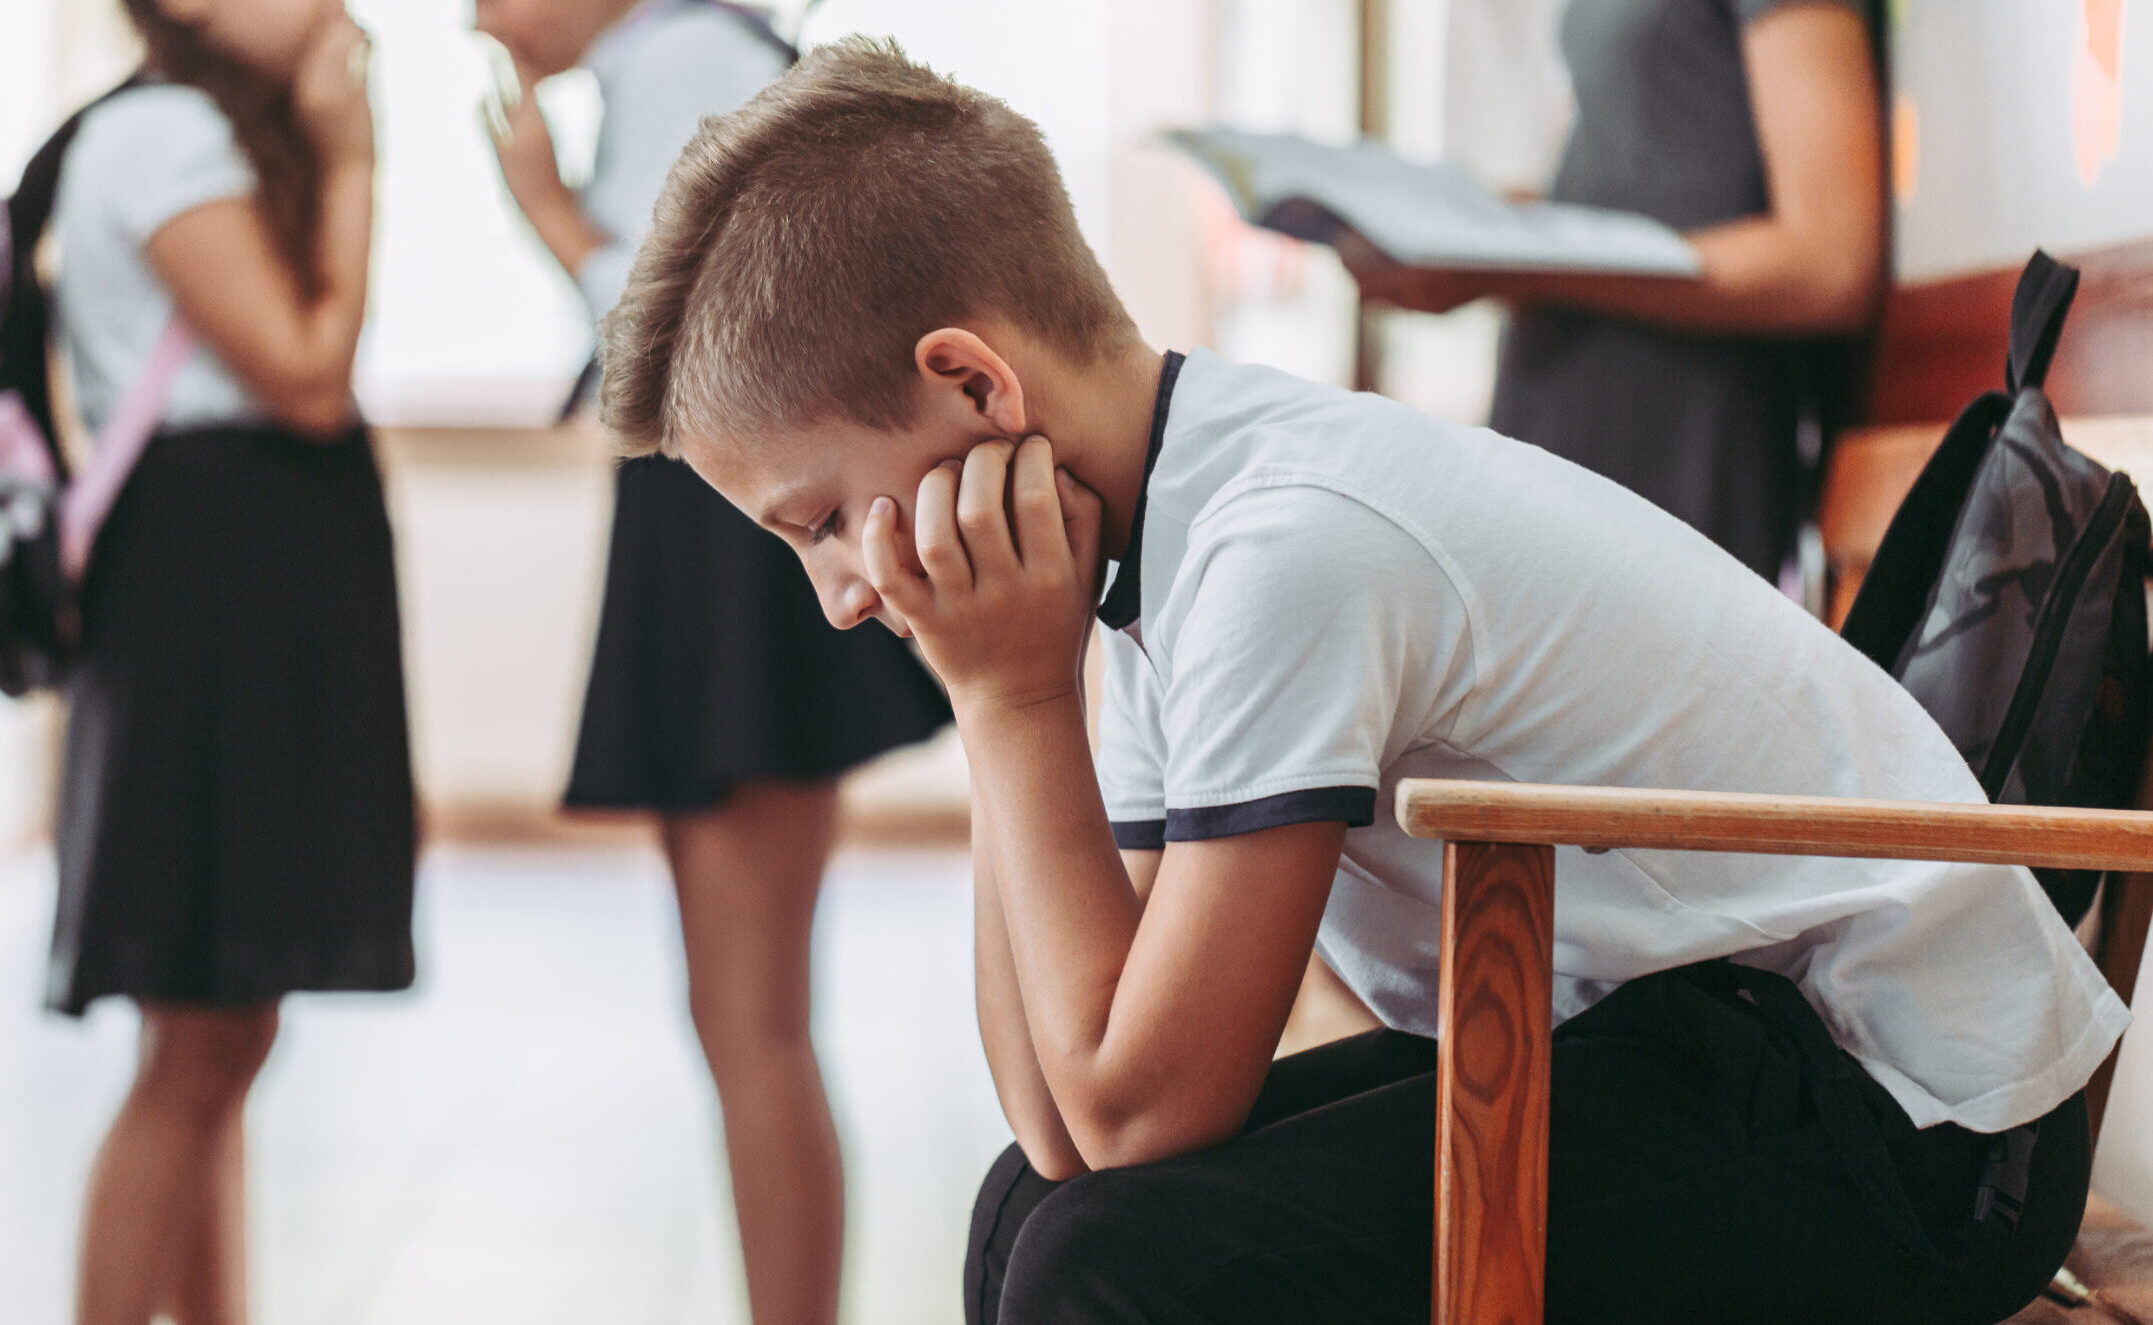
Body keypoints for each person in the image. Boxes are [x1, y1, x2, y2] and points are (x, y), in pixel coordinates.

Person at [596, 40, 2128, 1323]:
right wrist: (1016, 686)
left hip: (1916, 1125)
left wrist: (1007, 706)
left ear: (976, 386)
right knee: (1030, 1218)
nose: (848, 596)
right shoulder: (1164, 520)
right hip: (1679, 1043)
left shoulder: (1285, 551)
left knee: (1109, 1270)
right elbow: (1067, 1121)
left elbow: (1140, 1111)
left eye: (816, 524)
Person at [471, 4, 951, 1321]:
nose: (473, 18)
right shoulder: (678, 63)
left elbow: (673, 346)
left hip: (732, 562)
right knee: (745, 1012)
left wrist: (549, 211)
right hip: (719, 551)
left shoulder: (686, 61)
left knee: (754, 1017)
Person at [41, 3, 414, 1322]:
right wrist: (356, 157)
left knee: (223, 1033)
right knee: (197, 1039)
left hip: (227, 600)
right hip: (209, 610)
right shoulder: (164, 134)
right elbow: (309, 372)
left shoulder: (192, 128)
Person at [1343, 0, 1887, 582]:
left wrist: (1524, 264)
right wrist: (1475, 227)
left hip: (1680, 439)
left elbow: (1831, 263)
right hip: (1566, 426)